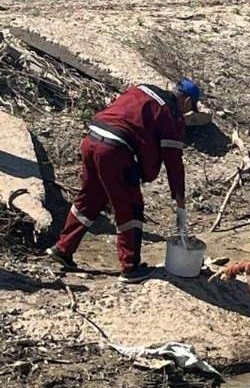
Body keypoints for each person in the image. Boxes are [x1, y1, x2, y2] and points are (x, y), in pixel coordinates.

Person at [47, 79, 201, 284]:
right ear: (188, 100)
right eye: (190, 108)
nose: (187, 113)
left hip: (91, 139)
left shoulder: (142, 89)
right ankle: (130, 268)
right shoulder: (170, 115)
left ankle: (63, 248)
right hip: (115, 150)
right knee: (130, 206)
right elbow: (173, 162)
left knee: (91, 197)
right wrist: (179, 199)